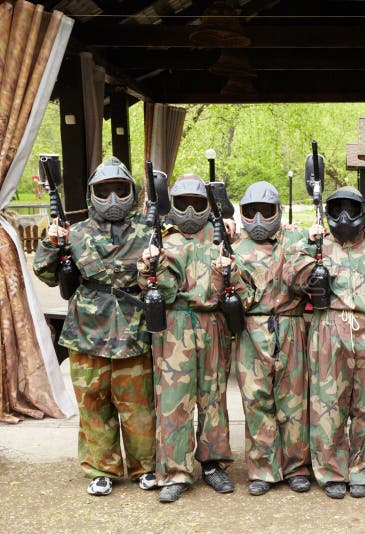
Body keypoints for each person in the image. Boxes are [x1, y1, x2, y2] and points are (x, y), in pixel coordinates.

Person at [33, 157, 157, 496]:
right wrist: (51, 242)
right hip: (87, 333)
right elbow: (44, 273)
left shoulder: (148, 232)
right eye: (105, 191)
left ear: (132, 192)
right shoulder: (76, 233)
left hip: (133, 330)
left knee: (139, 407)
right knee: (93, 403)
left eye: (120, 190)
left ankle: (144, 467)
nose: (113, 198)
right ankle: (101, 469)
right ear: (92, 195)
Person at [289, 186, 365, 500]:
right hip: (328, 327)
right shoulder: (318, 245)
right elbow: (292, 274)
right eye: (337, 209)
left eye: (352, 209)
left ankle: (363, 469)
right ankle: (332, 471)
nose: (345, 216)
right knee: (327, 405)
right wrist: (306, 240)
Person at [211, 181, 313, 496]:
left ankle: (296, 467)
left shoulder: (296, 237)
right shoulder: (232, 244)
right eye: (251, 211)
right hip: (250, 330)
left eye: (265, 211)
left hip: (291, 326)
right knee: (256, 401)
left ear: (277, 211)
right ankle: (263, 469)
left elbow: (343, 225)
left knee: (293, 401)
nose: (257, 218)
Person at [138, 174, 234, 503]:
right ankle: (175, 472)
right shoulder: (164, 240)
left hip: (212, 322)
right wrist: (150, 266)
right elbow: (160, 290)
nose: (191, 211)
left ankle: (212, 464)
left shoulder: (221, 236)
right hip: (175, 323)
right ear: (173, 206)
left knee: (213, 397)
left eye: (197, 203)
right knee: (173, 400)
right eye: (183, 204)